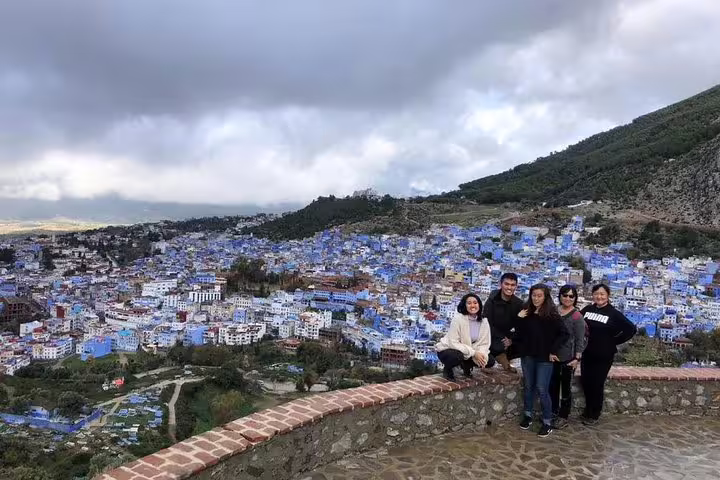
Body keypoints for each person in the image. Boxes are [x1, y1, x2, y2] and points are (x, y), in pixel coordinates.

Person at [515, 284, 569, 438]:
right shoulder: (527, 312)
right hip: (528, 356)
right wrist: (519, 319)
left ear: (545, 297)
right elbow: (519, 333)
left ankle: (547, 422)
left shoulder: (551, 315)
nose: (536, 298)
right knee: (528, 386)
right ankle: (528, 415)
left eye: (539, 295)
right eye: (533, 295)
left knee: (542, 389)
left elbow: (564, 334)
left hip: (544, 357)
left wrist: (553, 350)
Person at [580, 284, 637, 425]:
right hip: (587, 352)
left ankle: (594, 413)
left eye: (602, 294)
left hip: (604, 354)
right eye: (596, 294)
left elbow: (630, 329)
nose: (599, 297)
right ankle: (587, 410)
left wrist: (614, 341)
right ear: (593, 295)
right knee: (586, 382)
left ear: (608, 296)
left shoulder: (613, 313)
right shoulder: (587, 310)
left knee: (597, 383)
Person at [549, 284, 586, 429]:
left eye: (571, 296)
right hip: (553, 355)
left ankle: (563, 416)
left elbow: (580, 339)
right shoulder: (554, 312)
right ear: (560, 296)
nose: (568, 298)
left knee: (565, 389)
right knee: (552, 386)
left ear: (575, 298)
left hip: (568, 358)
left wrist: (576, 359)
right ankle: (553, 412)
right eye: (565, 295)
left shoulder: (577, 316)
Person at [436, 293, 495, 381]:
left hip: (469, 350)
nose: (472, 305)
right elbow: (453, 343)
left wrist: (481, 355)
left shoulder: (484, 321)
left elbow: (485, 343)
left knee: (490, 361)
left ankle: (466, 365)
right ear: (465, 305)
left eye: (475, 303)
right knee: (457, 356)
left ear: (479, 304)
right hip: (449, 349)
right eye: (469, 303)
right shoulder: (458, 319)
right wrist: (474, 353)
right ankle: (448, 369)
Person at [483, 272, 524, 373]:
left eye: (512, 285)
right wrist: (502, 338)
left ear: (516, 286)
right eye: (507, 284)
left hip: (507, 334)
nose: (509, 288)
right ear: (501, 284)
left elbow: (522, 327)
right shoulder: (492, 300)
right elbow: (486, 323)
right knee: (499, 345)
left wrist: (511, 339)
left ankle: (505, 358)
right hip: (491, 334)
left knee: (526, 344)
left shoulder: (518, 304)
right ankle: (498, 358)